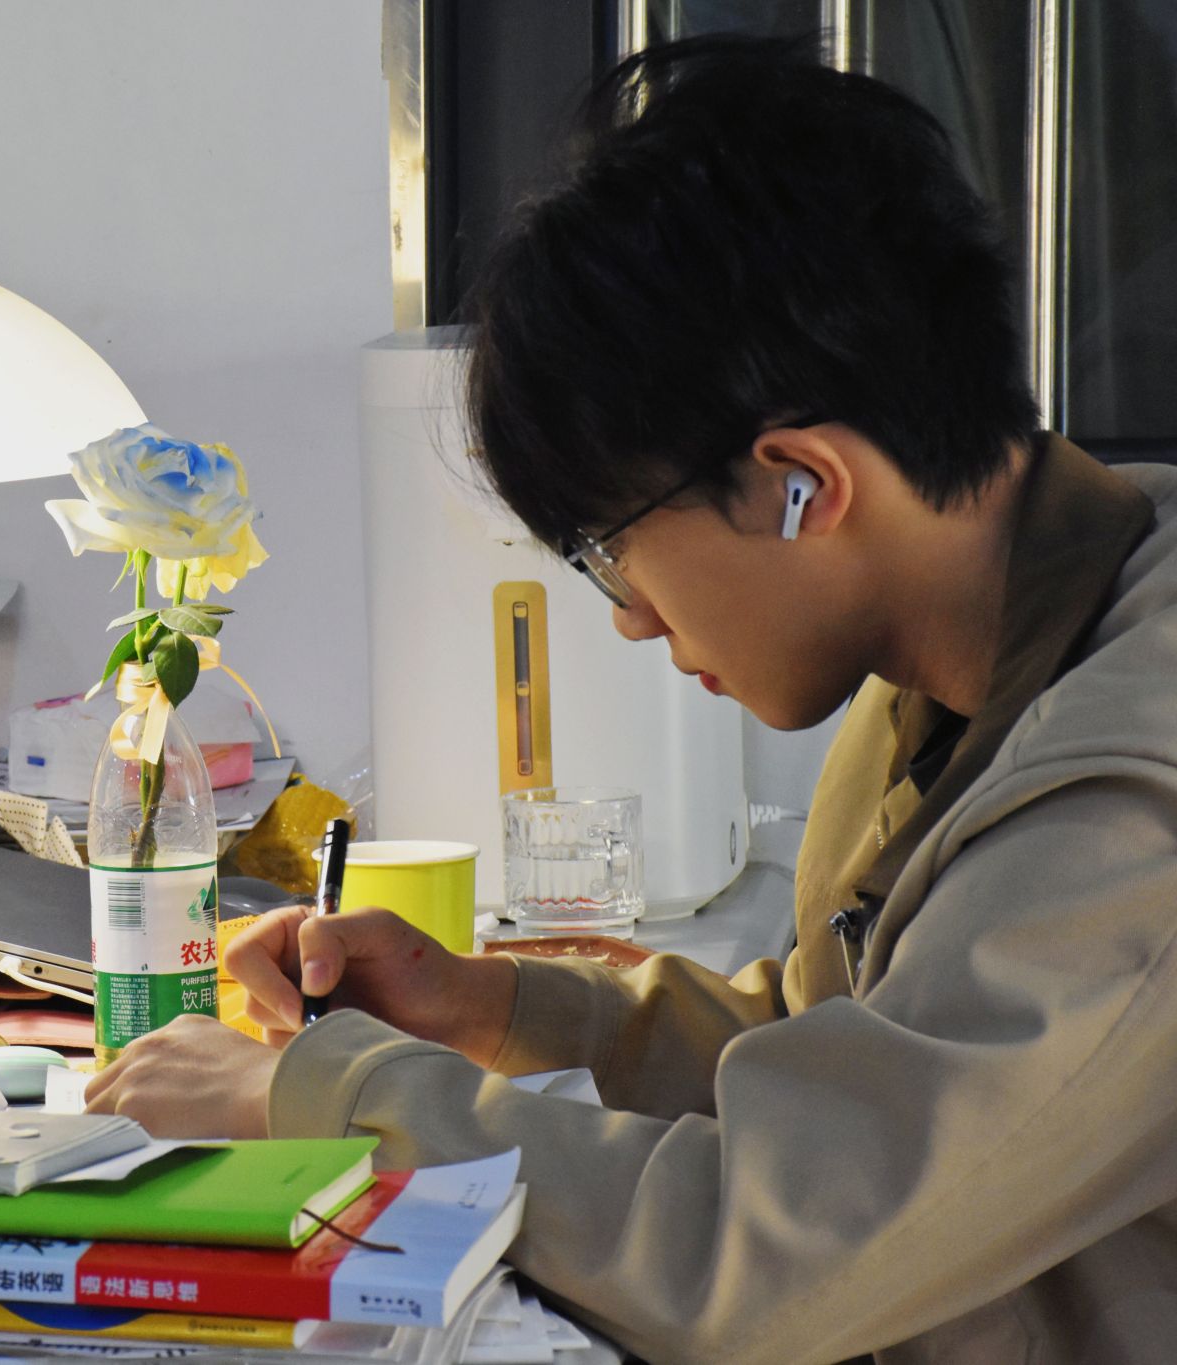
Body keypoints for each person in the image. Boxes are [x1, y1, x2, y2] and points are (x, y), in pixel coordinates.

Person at [84, 34, 1177, 1365]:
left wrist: (324, 1092)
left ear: (802, 486)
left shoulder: (1132, 804)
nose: (630, 615)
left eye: (611, 549)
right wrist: (499, 1008)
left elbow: (768, 1252)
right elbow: (872, 1052)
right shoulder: (980, 655)